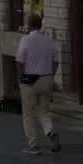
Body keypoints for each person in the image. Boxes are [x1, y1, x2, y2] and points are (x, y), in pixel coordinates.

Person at [16, 14, 59, 155]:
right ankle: (50, 131)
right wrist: (51, 77)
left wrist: (20, 79)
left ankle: (33, 145)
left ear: (28, 25)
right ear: (41, 25)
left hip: (29, 80)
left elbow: (20, 62)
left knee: (28, 113)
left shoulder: (25, 40)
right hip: (46, 78)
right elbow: (55, 61)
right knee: (44, 111)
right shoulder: (49, 40)